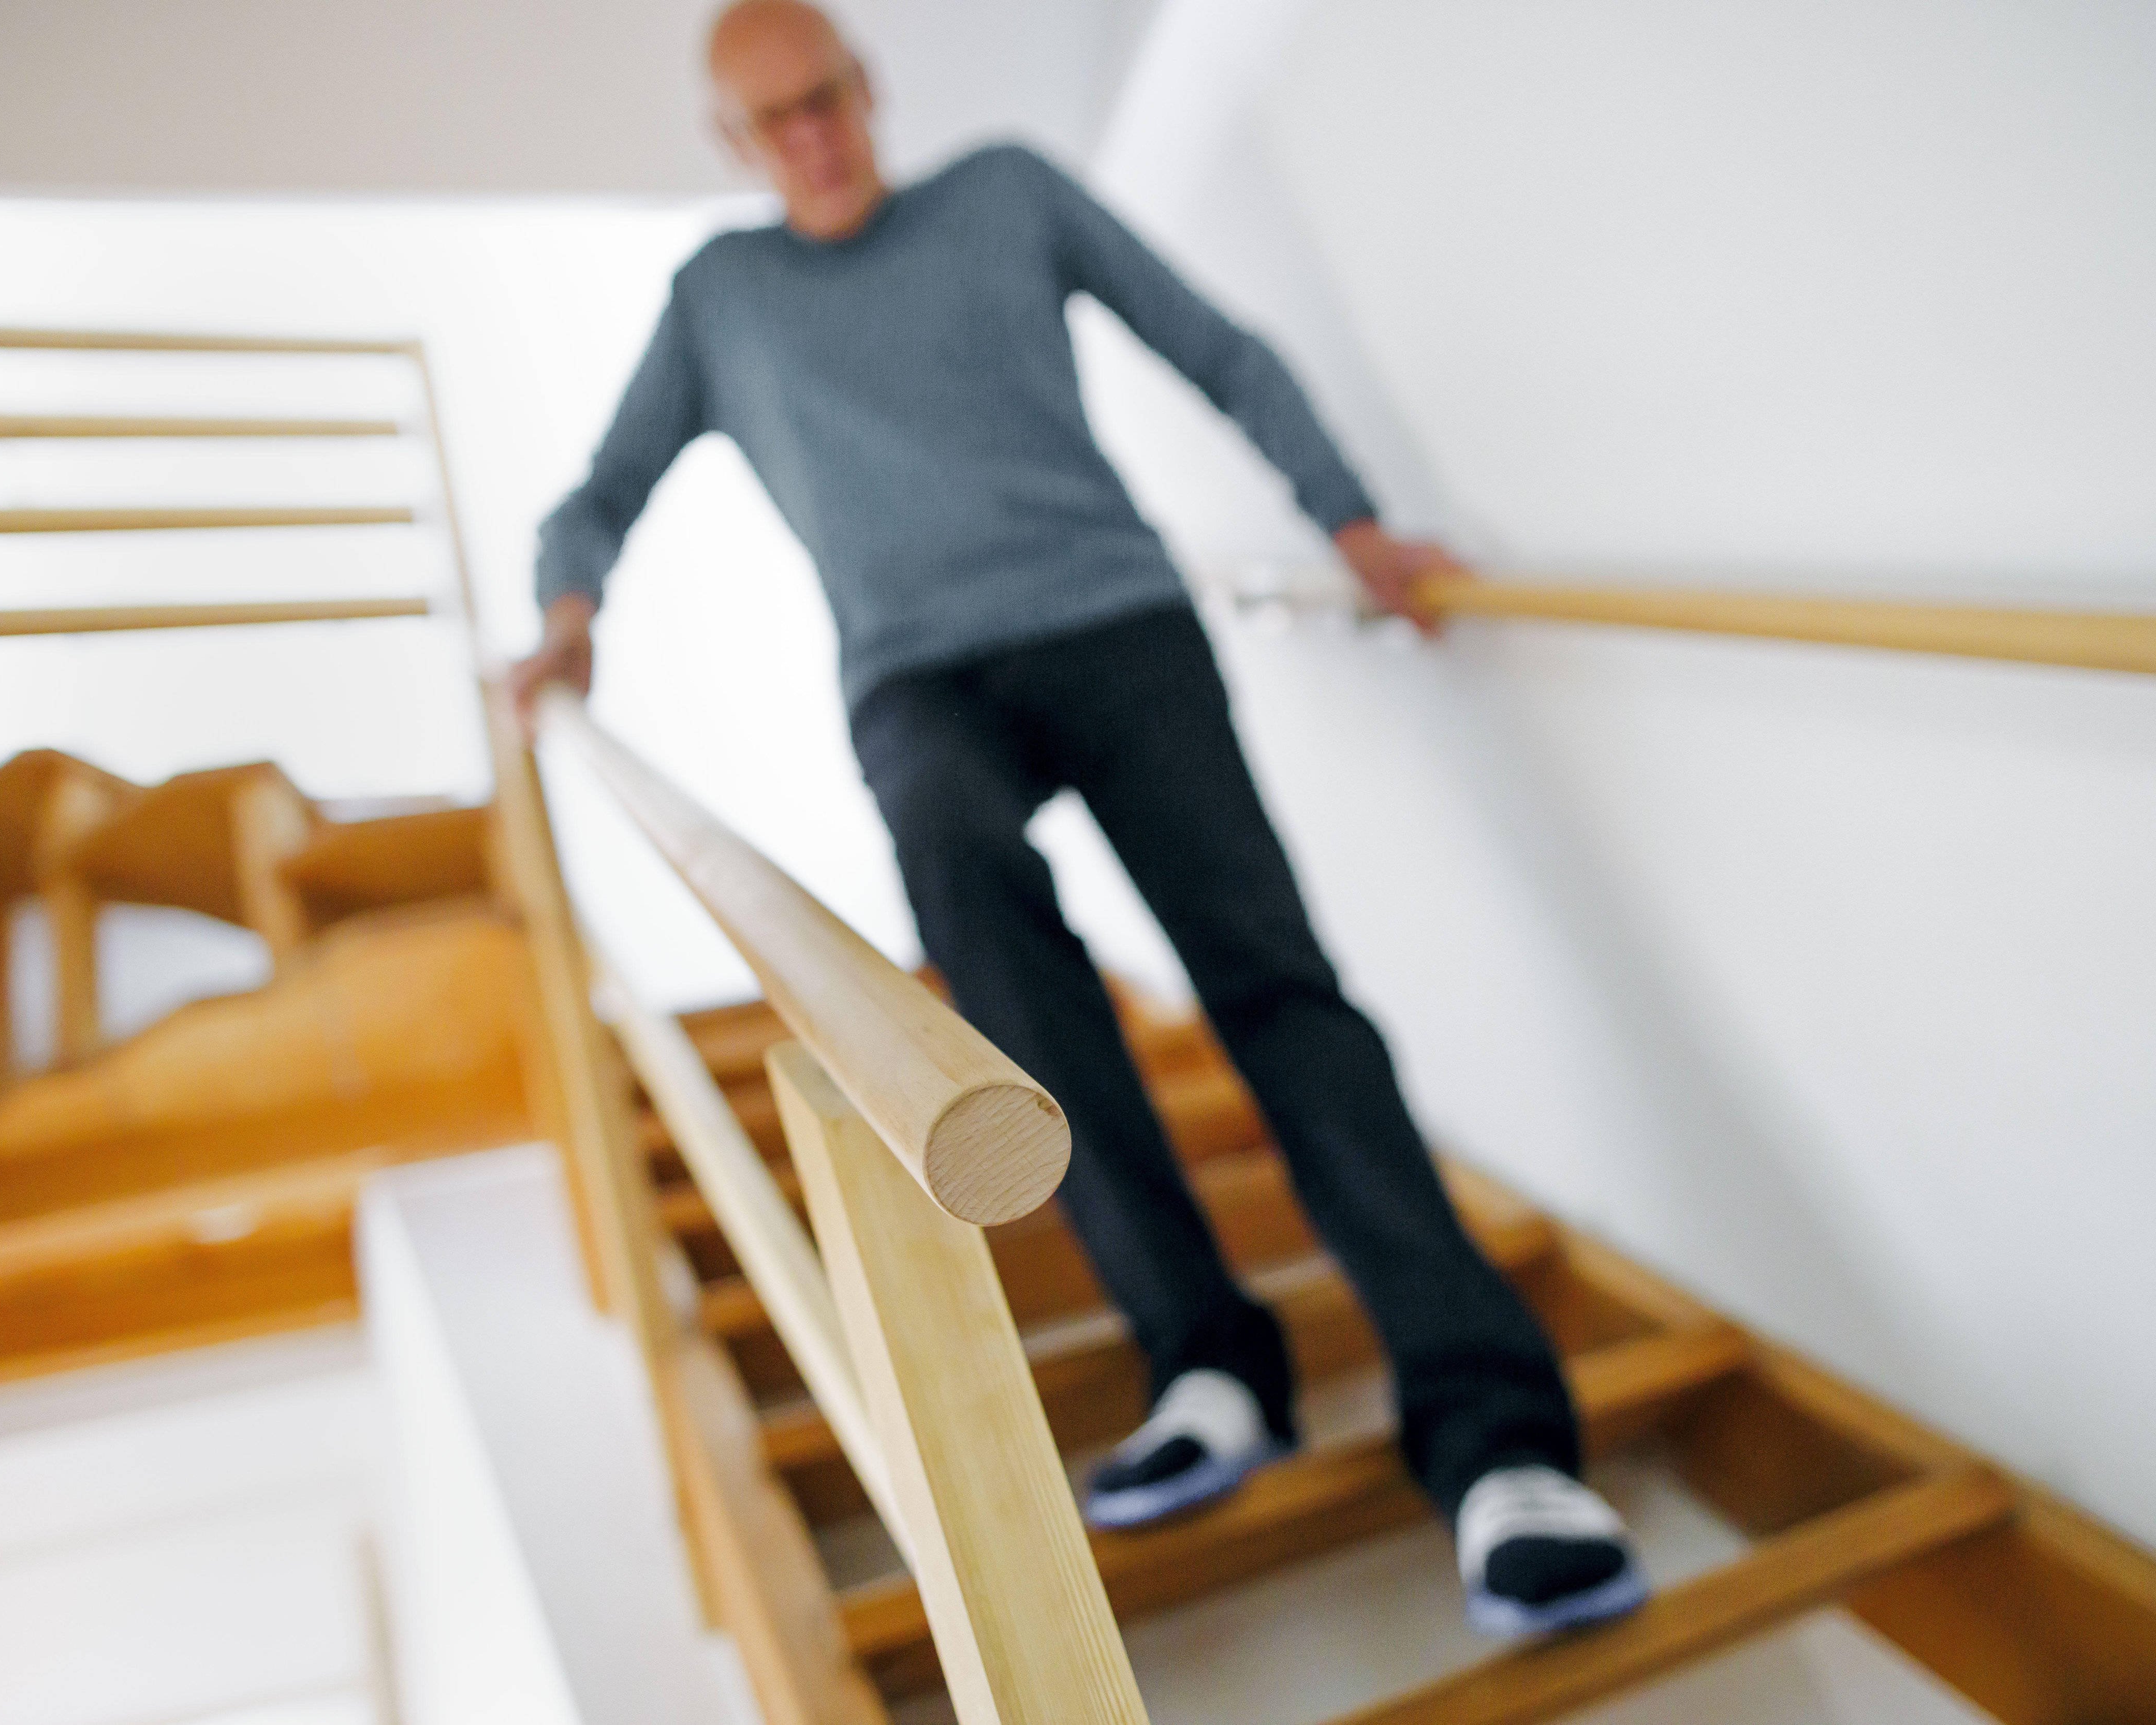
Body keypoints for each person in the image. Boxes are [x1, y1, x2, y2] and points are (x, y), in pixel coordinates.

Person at [511, 0, 1644, 1637]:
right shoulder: (723, 297)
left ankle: (1503, 1457)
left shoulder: (1006, 194)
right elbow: (595, 491)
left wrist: (1350, 520)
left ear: (867, 87)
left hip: (1117, 633)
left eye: (827, 99)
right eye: (773, 123)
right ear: (734, 148)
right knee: (998, 994)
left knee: (1281, 1000)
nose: (812, 138)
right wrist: (567, 609)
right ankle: (1208, 1366)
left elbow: (1220, 347)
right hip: (920, 681)